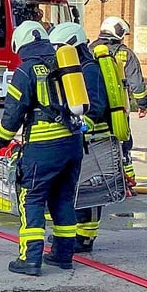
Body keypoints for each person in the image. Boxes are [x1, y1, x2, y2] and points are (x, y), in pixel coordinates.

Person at [0, 21, 81, 276]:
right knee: (63, 198)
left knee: (31, 199)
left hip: (42, 147)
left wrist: (0, 142)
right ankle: (63, 255)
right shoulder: (63, 63)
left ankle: (30, 259)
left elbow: (13, 113)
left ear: (20, 45)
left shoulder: (26, 70)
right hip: (72, 143)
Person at [49, 22, 109, 254]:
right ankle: (77, 234)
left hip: (96, 137)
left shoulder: (89, 69)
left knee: (91, 189)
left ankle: (86, 238)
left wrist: (84, 128)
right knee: (78, 188)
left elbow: (95, 106)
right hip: (82, 137)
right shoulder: (76, 68)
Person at [91, 16, 147, 186]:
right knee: (123, 141)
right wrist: (142, 104)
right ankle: (126, 181)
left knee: (95, 140)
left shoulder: (88, 49)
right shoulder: (125, 53)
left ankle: (97, 178)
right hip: (119, 106)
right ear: (118, 33)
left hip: (94, 106)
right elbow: (136, 82)